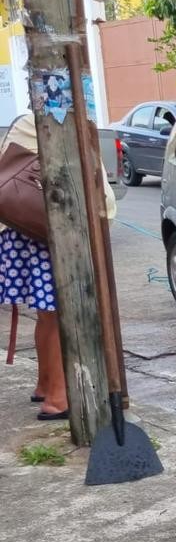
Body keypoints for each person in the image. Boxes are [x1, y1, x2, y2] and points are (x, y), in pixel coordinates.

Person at [0, 111, 116, 419]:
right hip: (45, 231)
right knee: (58, 313)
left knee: (47, 314)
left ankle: (46, 384)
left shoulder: (28, 120)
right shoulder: (57, 120)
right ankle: (58, 398)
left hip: (23, 229)